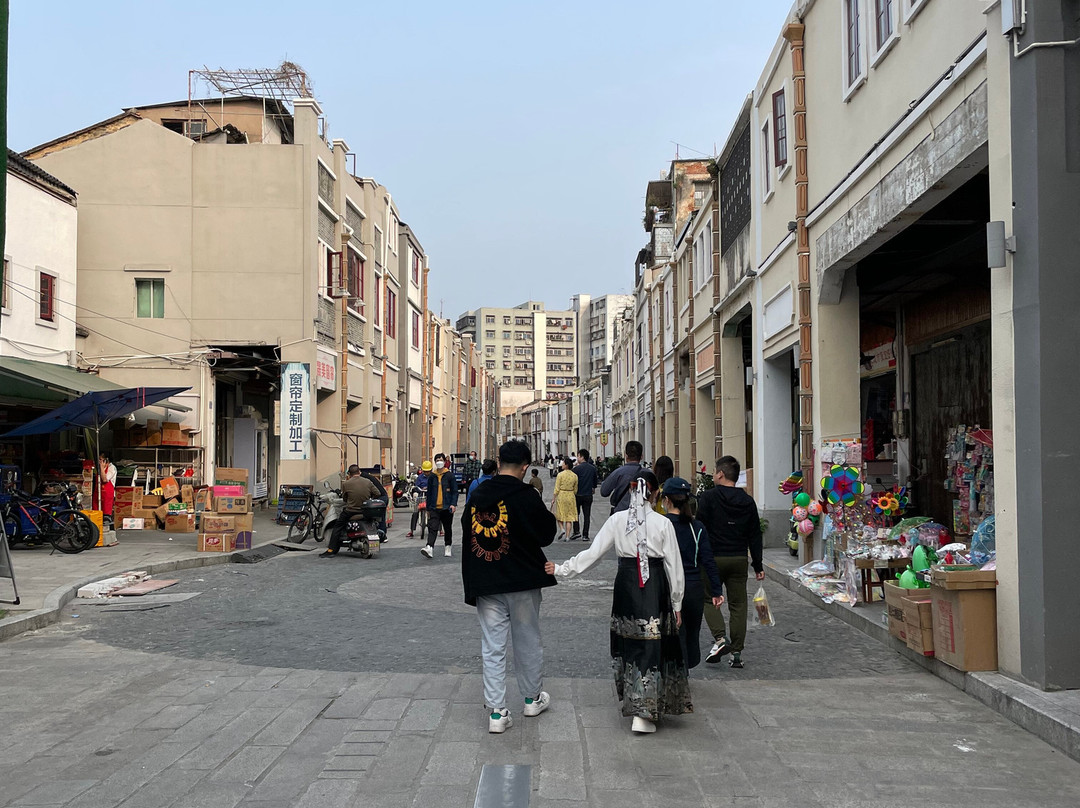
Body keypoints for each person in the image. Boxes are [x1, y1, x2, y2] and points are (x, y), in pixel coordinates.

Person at [546, 470, 689, 734]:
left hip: (626, 583)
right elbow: (674, 566)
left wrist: (562, 569)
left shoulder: (618, 520)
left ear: (632, 491)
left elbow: (593, 554)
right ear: (655, 493)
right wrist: (677, 602)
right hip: (655, 584)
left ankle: (637, 705)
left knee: (630, 643)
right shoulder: (662, 523)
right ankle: (645, 711)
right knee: (653, 644)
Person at [461, 440, 557, 733]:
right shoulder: (526, 495)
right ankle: (531, 699)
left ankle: (497, 713)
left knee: (492, 646)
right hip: (523, 581)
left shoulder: (478, 494)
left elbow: (467, 529)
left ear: (499, 462)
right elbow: (546, 534)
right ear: (525, 467)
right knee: (527, 640)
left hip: (487, 580)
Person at [696, 456, 764, 669]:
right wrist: (758, 565)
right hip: (738, 558)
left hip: (713, 558)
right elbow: (755, 535)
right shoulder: (747, 501)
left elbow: (700, 529)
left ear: (720, 474)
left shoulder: (707, 498)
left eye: (715, 471)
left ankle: (719, 639)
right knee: (738, 604)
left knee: (709, 599)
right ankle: (736, 653)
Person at [660, 477, 725, 669]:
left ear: (666, 500)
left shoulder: (661, 525)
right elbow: (708, 560)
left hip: (668, 585)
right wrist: (716, 590)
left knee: (671, 633)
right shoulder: (696, 527)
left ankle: (675, 673)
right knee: (691, 633)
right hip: (694, 587)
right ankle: (685, 669)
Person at [321, 464, 380, 557]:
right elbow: (377, 493)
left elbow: (344, 499)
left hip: (351, 511)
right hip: (366, 511)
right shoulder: (368, 482)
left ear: (349, 474)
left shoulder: (346, 484)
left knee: (338, 526)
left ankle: (331, 549)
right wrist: (369, 499)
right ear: (359, 472)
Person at [422, 453, 459, 559]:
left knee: (447, 528)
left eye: (440, 460)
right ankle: (429, 547)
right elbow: (429, 493)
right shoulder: (432, 476)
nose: (439, 462)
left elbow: (455, 491)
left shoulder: (449, 476)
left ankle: (448, 546)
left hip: (446, 507)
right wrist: (428, 507)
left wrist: (453, 504)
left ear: (444, 461)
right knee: (432, 528)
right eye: (437, 460)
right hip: (434, 507)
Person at [599, 440, 643, 514]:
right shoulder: (648, 474)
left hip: (621, 513)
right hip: (642, 514)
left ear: (626, 456)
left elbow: (604, 492)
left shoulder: (618, 472)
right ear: (641, 456)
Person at [570, 448, 597, 541]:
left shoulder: (576, 469)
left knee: (575, 514)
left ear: (582, 457)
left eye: (578, 456)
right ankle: (585, 535)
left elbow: (572, 482)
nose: (577, 458)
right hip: (588, 495)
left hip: (577, 495)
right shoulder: (592, 468)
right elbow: (595, 482)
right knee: (587, 515)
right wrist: (592, 488)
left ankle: (576, 531)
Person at [552, 457, 578, 541]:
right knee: (569, 517)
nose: (562, 465)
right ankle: (567, 536)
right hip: (570, 495)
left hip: (562, 494)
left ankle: (562, 529)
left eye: (563, 463)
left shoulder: (560, 475)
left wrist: (554, 498)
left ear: (566, 465)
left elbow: (557, 488)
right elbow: (575, 489)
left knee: (559, 514)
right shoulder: (574, 476)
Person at [407, 461, 432, 538]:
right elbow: (416, 486)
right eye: (425, 471)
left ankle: (440, 530)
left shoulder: (433, 477)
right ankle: (411, 530)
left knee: (435, 512)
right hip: (421, 496)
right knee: (415, 512)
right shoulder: (420, 477)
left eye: (428, 471)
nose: (426, 473)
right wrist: (419, 489)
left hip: (430, 496)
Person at [98, 453, 117, 525]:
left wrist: (102, 468)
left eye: (101, 460)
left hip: (107, 494)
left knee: (105, 516)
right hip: (98, 493)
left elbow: (105, 479)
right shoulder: (99, 468)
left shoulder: (112, 468)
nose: (100, 462)